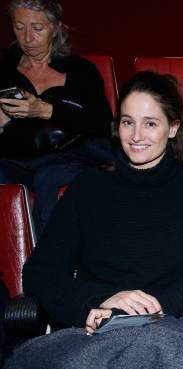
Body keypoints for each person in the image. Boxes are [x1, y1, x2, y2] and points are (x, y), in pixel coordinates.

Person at [22, 71, 183, 330]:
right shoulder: (88, 187)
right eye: (127, 122)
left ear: (173, 127)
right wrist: (100, 302)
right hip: (99, 329)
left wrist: (154, 311)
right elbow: (40, 272)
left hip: (176, 327)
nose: (136, 135)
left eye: (150, 123)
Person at [0, 0, 113, 233]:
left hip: (70, 155)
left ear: (55, 28)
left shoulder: (81, 71)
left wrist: (44, 109)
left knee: (48, 178)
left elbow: (101, 123)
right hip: (16, 157)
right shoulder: (4, 70)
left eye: (37, 28)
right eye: (19, 27)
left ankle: (52, 262)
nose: (28, 38)